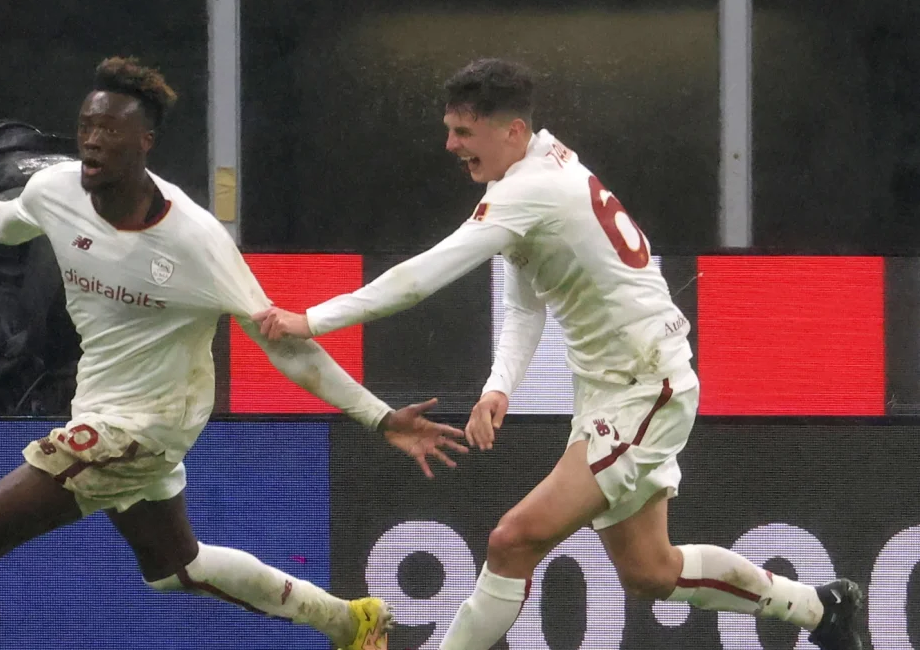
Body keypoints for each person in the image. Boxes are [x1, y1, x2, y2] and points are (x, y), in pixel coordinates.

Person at [252, 58, 864, 650]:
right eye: (448, 129)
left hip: (643, 385)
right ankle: (823, 609)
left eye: (464, 131)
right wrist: (499, 387)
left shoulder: (532, 190)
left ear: (512, 130)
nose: (450, 145)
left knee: (512, 540)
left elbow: (421, 277)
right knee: (650, 569)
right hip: (616, 388)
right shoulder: (536, 171)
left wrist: (310, 320)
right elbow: (525, 305)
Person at [0, 56, 468, 650]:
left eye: (109, 130)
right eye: (86, 126)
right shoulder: (55, 191)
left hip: (148, 428)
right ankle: (350, 621)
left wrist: (381, 416)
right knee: (176, 568)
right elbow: (8, 221)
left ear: (145, 143)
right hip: (99, 409)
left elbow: (288, 349)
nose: (92, 141)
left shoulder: (196, 241)